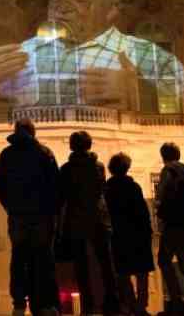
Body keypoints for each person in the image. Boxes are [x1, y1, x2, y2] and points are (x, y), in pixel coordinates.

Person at [0, 0, 184, 113]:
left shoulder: (147, 56)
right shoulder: (20, 56)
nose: (62, 9)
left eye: (79, 1)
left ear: (110, 10)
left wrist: (141, 93)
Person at [0, 118, 60, 316]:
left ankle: (19, 303)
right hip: (41, 214)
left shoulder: (7, 154)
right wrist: (51, 210)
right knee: (43, 258)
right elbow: (54, 185)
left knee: (18, 257)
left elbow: (0, 186)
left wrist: (11, 208)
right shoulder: (44, 153)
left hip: (18, 215)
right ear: (33, 132)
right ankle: (44, 303)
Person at [58, 130, 121, 316]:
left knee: (81, 265)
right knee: (106, 262)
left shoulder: (66, 169)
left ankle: (87, 304)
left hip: (77, 220)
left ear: (72, 146)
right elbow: (100, 191)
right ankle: (112, 301)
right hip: (99, 219)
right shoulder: (98, 167)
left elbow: (64, 197)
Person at [104, 153, 154, 316]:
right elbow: (142, 212)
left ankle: (130, 304)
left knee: (123, 273)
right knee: (141, 273)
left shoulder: (108, 189)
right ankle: (141, 306)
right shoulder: (133, 187)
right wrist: (148, 232)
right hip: (137, 234)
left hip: (119, 235)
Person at [154, 142, 184, 316]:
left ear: (163, 156)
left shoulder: (168, 171)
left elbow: (161, 197)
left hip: (172, 227)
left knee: (164, 262)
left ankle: (175, 300)